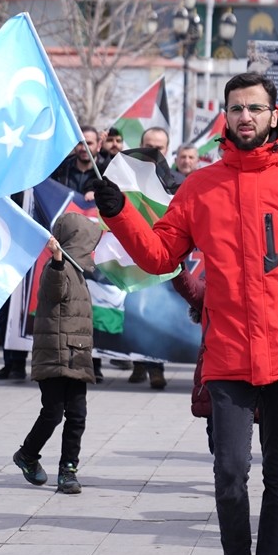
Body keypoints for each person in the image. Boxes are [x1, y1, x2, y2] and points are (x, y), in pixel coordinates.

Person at [90, 72, 278, 555]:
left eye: (255, 107)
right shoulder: (202, 186)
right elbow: (160, 255)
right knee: (230, 475)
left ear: (275, 115)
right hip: (229, 353)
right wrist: (119, 212)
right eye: (236, 108)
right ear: (225, 117)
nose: (246, 116)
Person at [11, 213, 102, 494]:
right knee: (52, 413)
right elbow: (55, 290)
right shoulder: (57, 268)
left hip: (76, 355)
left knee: (77, 414)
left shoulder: (80, 273)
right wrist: (58, 260)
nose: (91, 251)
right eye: (87, 244)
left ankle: (68, 469)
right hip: (53, 355)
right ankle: (27, 454)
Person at [127, 126, 175, 390]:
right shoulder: (125, 176)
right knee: (134, 309)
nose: (154, 151)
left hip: (162, 255)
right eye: (149, 145)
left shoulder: (176, 180)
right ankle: (136, 362)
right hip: (130, 255)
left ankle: (156, 367)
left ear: (167, 149)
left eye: (160, 147)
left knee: (156, 312)